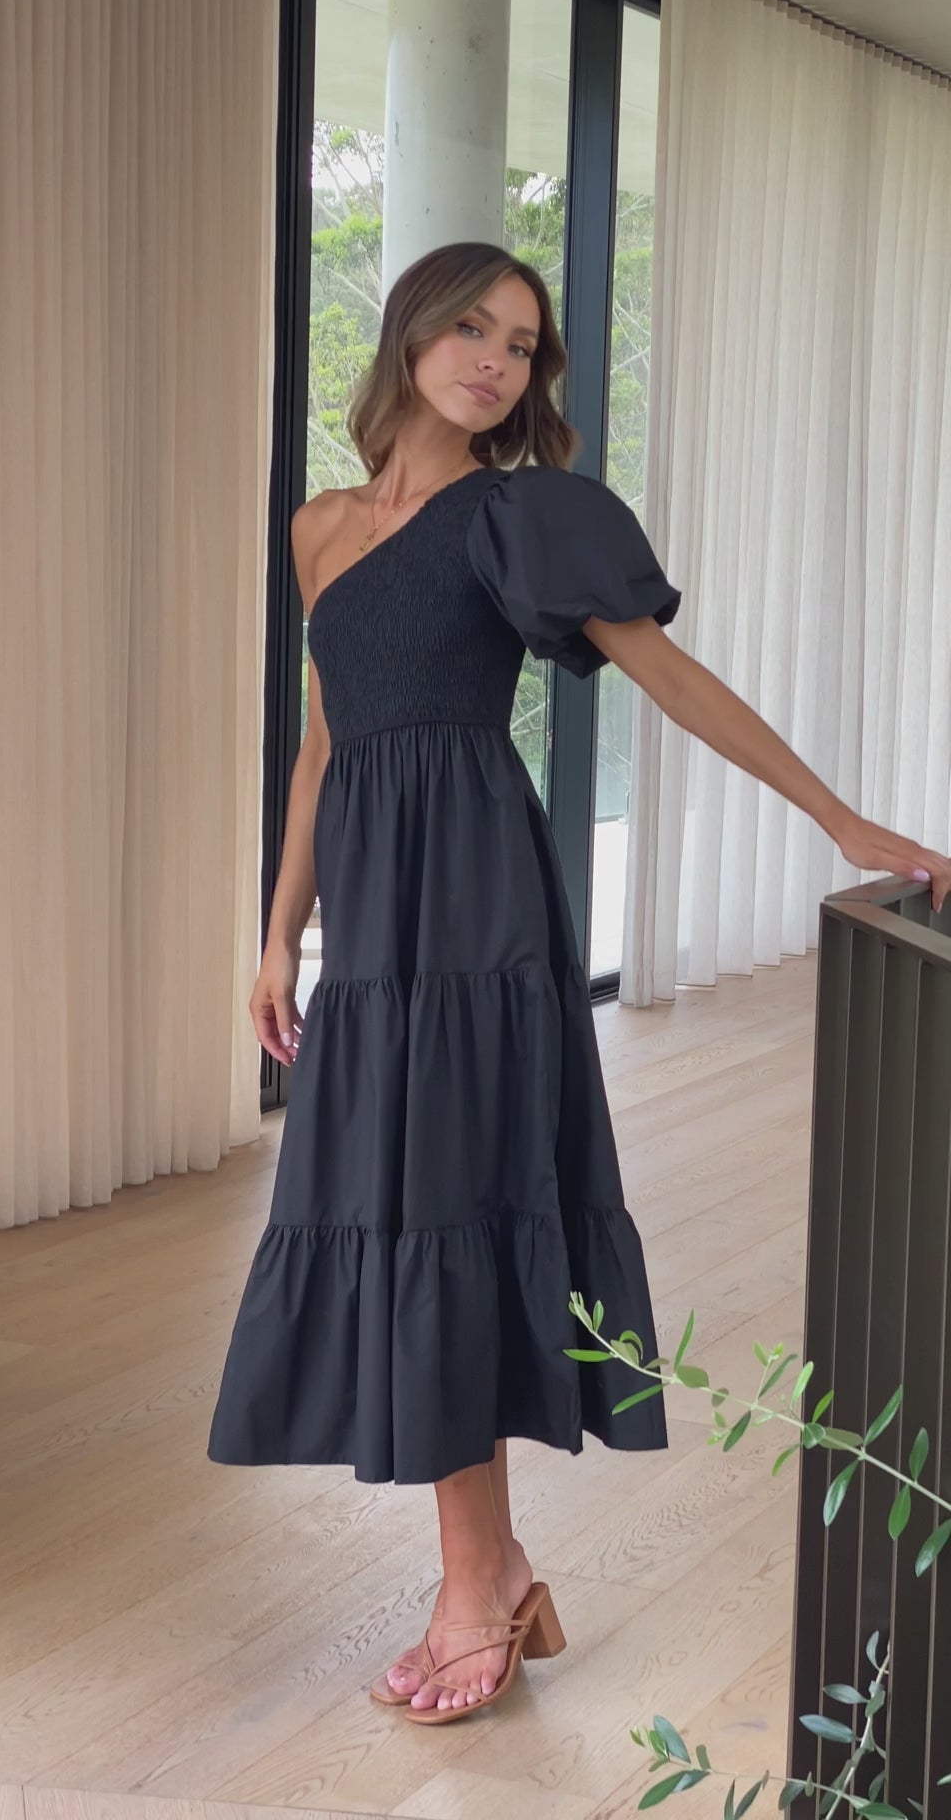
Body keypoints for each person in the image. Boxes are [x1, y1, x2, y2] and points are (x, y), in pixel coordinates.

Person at [208, 241, 951, 1726]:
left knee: (459, 1211)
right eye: (473, 327)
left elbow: (665, 674)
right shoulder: (317, 528)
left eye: (524, 346)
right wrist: (277, 931)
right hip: (377, 930)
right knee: (399, 1216)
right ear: (411, 330)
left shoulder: (521, 513)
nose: (495, 360)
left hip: (478, 911)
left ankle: (474, 1583)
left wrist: (838, 817)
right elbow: (323, 742)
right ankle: (492, 1569)